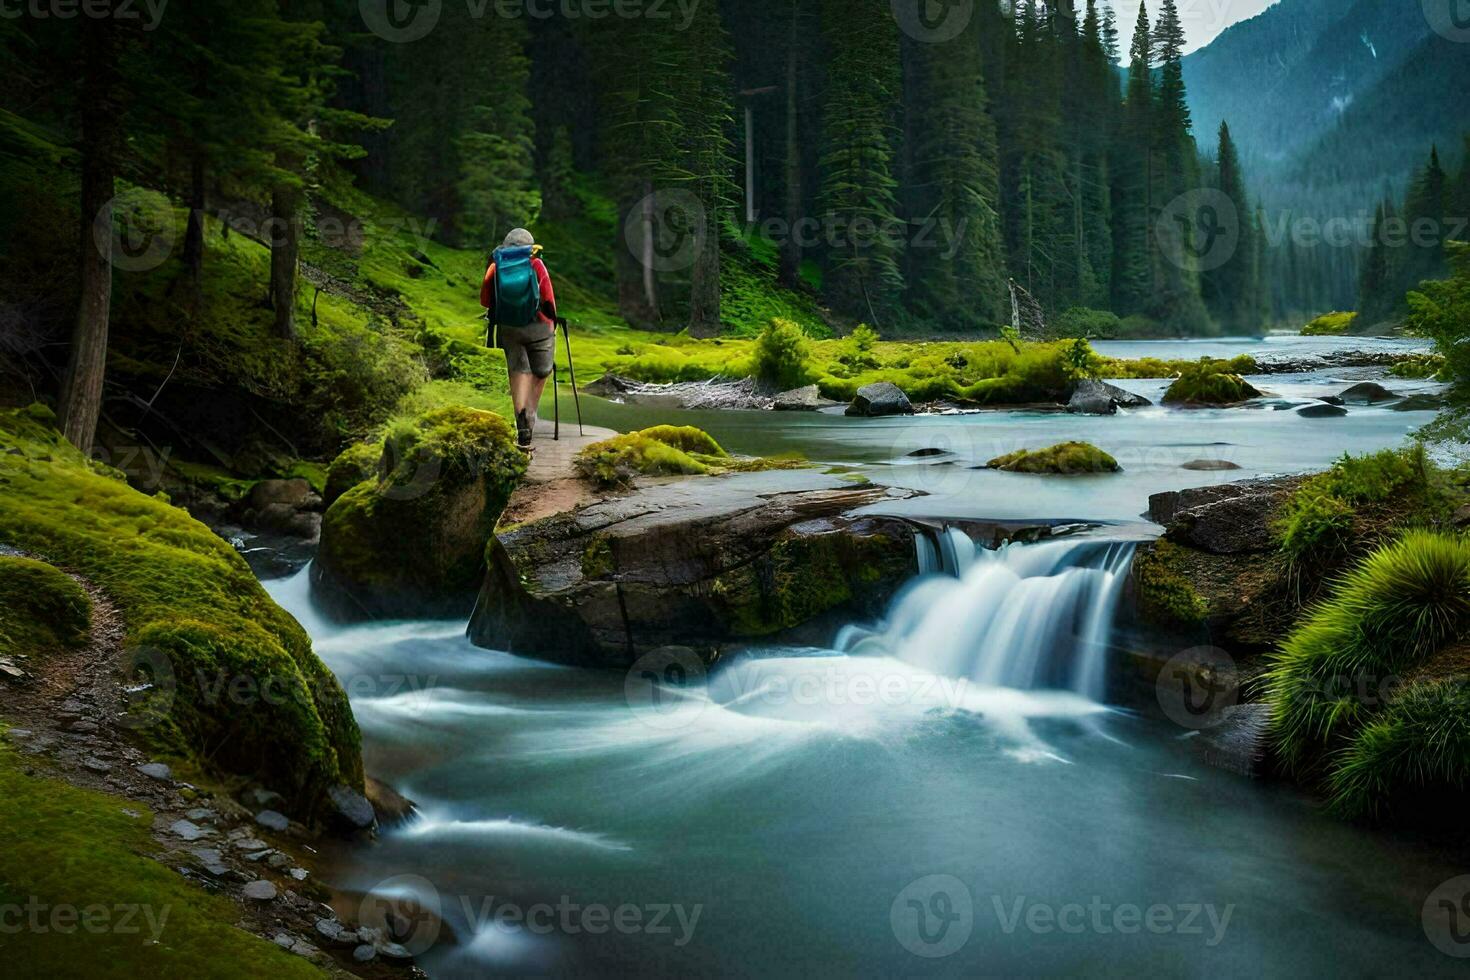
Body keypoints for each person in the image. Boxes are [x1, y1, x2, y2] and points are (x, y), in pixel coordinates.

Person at [480, 228, 557, 451]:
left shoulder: (496, 266)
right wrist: (551, 319)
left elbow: (485, 301)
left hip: (509, 329)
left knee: (518, 370)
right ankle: (530, 415)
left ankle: (521, 425)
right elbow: (548, 298)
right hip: (539, 327)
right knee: (541, 370)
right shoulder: (536, 265)